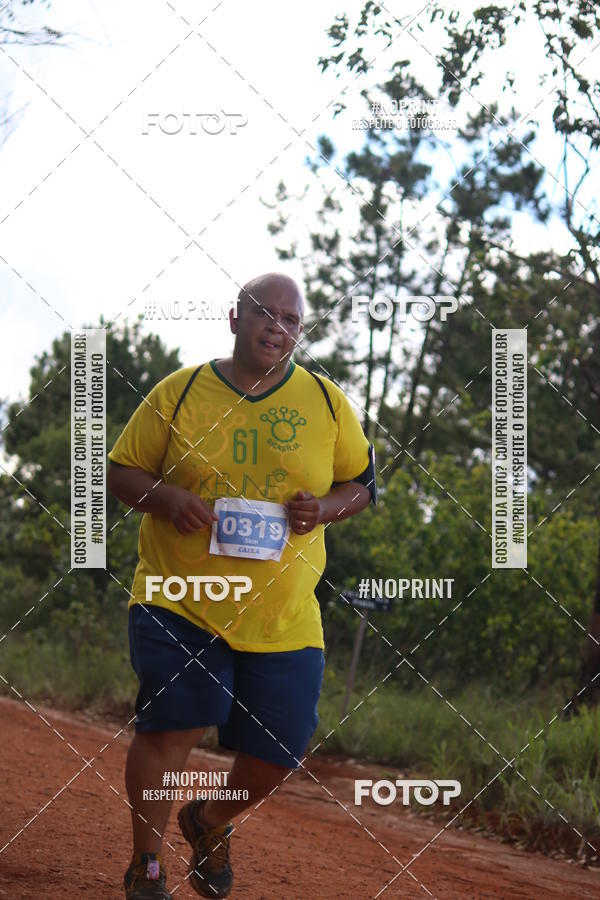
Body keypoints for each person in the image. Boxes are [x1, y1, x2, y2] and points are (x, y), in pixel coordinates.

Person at [107, 272, 376, 899]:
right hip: (182, 601)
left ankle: (206, 819)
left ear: (299, 333)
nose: (276, 327)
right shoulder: (179, 392)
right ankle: (147, 863)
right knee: (171, 728)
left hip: (283, 614)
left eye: (290, 320)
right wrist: (168, 498)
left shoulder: (327, 403)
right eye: (263, 313)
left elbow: (361, 485)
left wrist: (324, 509)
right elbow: (121, 472)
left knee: (279, 750)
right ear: (235, 318)